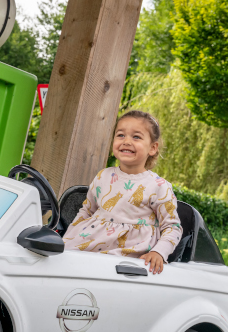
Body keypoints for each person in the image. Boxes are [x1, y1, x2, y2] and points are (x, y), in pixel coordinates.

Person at [62, 110, 182, 274]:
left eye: (136, 137)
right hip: (86, 246)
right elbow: (87, 211)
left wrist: (158, 252)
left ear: (153, 148)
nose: (126, 141)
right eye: (120, 135)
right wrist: (66, 238)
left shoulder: (158, 186)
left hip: (125, 257)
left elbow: (172, 227)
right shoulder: (103, 176)